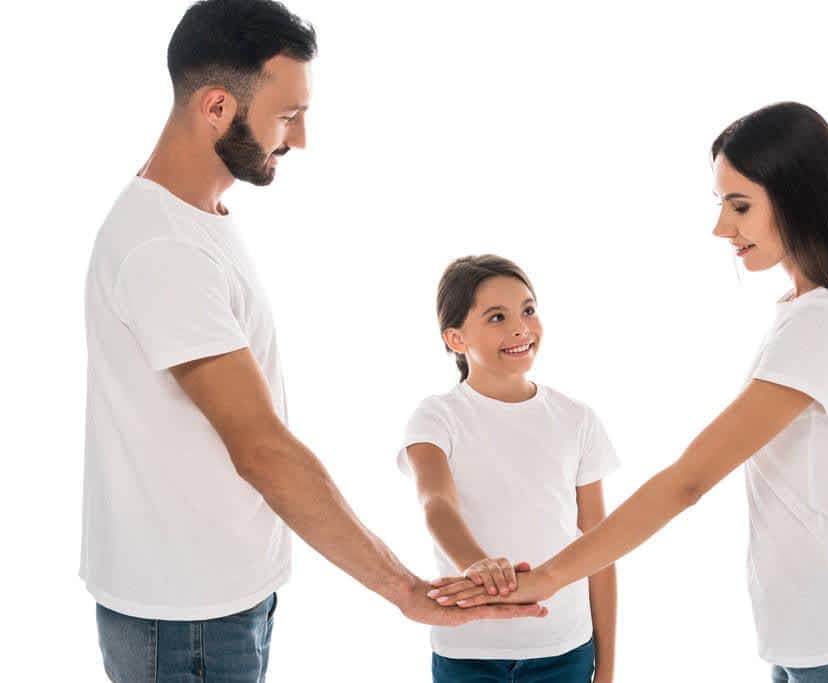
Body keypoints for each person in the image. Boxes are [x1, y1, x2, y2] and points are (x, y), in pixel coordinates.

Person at [81, 2, 541, 681]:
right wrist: (402, 587)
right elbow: (262, 449)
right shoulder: (165, 249)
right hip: (187, 620)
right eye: (287, 116)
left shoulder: (195, 218)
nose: (299, 139)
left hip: (216, 600)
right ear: (215, 106)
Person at [429, 102, 828, 682]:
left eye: (740, 205)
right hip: (820, 643)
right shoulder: (808, 315)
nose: (722, 227)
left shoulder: (827, 324)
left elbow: (689, 480)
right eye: (721, 204)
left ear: (799, 196)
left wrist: (548, 577)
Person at [401, 256, 618, 682]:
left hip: (565, 650)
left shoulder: (577, 419)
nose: (520, 327)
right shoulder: (435, 417)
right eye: (497, 317)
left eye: (528, 310)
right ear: (455, 338)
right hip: (467, 650)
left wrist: (607, 669)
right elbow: (436, 502)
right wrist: (477, 564)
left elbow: (600, 551)